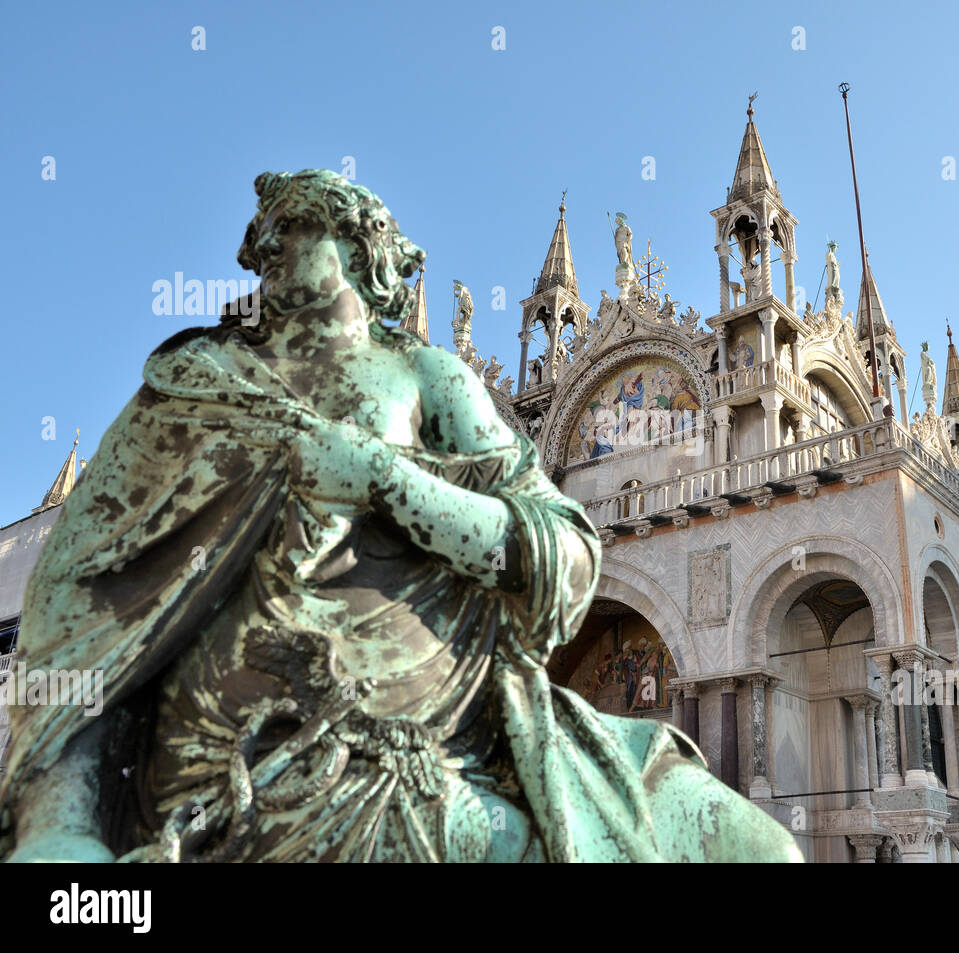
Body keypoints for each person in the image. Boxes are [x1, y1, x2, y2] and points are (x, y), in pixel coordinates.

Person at [1, 170, 799, 864]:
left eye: (298, 225)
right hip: (258, 769)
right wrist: (55, 826)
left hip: (467, 735)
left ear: (364, 248)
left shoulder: (428, 378)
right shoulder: (191, 390)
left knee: (764, 846)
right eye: (265, 234)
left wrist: (388, 480)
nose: (266, 243)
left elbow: (567, 549)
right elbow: (77, 617)